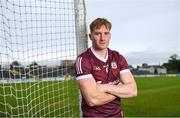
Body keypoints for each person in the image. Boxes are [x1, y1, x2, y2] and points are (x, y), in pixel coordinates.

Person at [75, 18, 137, 117]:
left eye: (106, 33)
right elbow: (92, 100)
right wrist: (118, 89)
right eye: (98, 33)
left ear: (110, 36)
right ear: (90, 36)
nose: (102, 38)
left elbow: (132, 90)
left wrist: (104, 87)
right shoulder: (83, 60)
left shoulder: (118, 57)